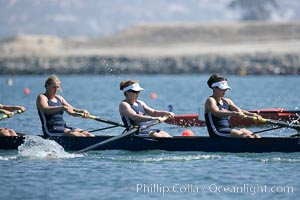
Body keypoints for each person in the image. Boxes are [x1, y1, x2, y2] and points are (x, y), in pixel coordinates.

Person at [204, 74, 261, 138]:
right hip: (217, 132)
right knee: (248, 137)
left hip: (229, 129)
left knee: (256, 136)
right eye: (222, 89)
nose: (224, 91)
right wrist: (234, 113)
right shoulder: (210, 100)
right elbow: (216, 112)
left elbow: (240, 111)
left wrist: (253, 115)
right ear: (214, 88)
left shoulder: (228, 101)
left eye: (225, 89)